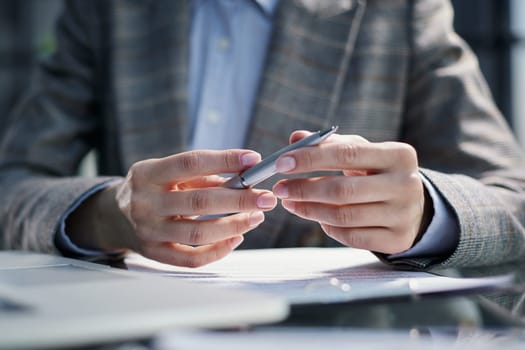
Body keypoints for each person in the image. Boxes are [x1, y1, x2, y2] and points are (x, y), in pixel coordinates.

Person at [1, 0, 524, 269]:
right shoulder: (107, 11)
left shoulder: (399, 10)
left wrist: (426, 212)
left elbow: (513, 201)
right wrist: (108, 214)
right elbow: (11, 186)